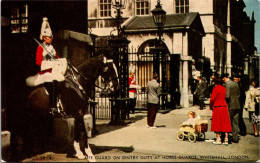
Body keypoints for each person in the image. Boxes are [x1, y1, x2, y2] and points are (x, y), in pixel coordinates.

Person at [35, 17, 61, 114]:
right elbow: (38, 62)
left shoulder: (52, 48)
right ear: (44, 37)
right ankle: (52, 106)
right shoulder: (40, 47)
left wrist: (60, 62)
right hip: (45, 72)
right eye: (49, 37)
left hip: (53, 71)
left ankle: (59, 104)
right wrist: (50, 64)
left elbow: (56, 58)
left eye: (51, 37)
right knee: (52, 83)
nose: (51, 39)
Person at [210, 76, 232, 145]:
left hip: (217, 107)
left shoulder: (215, 88)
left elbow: (212, 99)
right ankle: (226, 139)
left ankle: (218, 139)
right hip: (224, 107)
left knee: (217, 122)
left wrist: (210, 106)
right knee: (225, 122)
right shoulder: (224, 88)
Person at [221, 73, 240, 143]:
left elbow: (227, 96)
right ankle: (235, 138)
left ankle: (226, 138)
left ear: (224, 78)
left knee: (227, 122)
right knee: (235, 122)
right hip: (237, 105)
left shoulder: (227, 85)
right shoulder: (235, 83)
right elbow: (238, 95)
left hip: (230, 106)